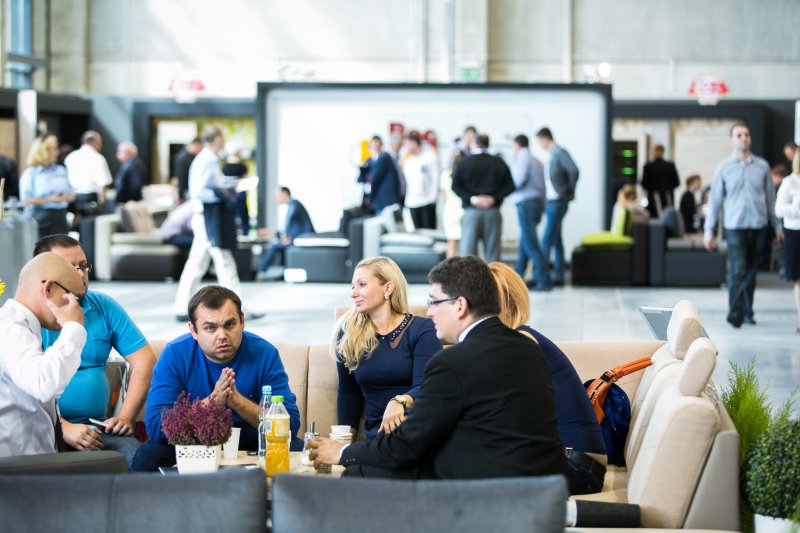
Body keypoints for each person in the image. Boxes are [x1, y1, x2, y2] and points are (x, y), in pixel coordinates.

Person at [310, 256, 566, 480]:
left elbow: (407, 445)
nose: (430, 312)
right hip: (541, 479)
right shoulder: (529, 349)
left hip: (482, 486)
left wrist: (343, 452)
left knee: (359, 474)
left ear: (460, 305)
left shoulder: (452, 362)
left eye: (434, 302)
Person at [133, 286, 300, 471]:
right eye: (210, 328)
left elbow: (290, 426)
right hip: (192, 442)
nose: (222, 336)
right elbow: (156, 428)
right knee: (147, 456)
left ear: (242, 321)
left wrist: (239, 403)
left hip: (250, 439)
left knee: (296, 448)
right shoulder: (175, 354)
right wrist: (212, 402)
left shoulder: (265, 353)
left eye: (229, 325)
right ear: (193, 330)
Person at [36, 235, 155, 467]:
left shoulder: (103, 306)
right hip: (45, 431)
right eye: (70, 268)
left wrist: (125, 417)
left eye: (83, 266)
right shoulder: (30, 317)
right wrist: (63, 427)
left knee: (142, 462)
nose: (80, 274)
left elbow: (145, 360)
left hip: (99, 431)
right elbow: (23, 386)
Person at [488, 261, 607, 494]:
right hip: (567, 459)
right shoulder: (517, 338)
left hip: (578, 466)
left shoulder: (521, 341)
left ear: (510, 306)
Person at [334, 257, 442, 441]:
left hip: (418, 431)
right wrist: (343, 445)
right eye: (353, 287)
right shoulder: (348, 334)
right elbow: (348, 393)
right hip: (377, 439)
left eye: (362, 284)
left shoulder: (423, 329)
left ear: (388, 288)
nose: (353, 293)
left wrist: (399, 401)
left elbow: (428, 387)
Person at [0, 252, 86, 457]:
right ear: (48, 288)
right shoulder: (9, 328)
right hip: (20, 468)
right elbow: (45, 384)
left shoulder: (21, 326)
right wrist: (74, 328)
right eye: (75, 298)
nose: (78, 308)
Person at [704, 123, 783, 328]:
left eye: (746, 134)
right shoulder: (723, 167)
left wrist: (777, 226)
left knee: (751, 271)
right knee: (738, 270)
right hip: (735, 226)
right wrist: (709, 230)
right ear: (732, 140)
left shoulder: (762, 166)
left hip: (758, 225)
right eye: (739, 135)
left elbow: (770, 199)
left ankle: (748, 312)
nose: (743, 138)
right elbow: (715, 201)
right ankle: (735, 312)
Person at [172, 125, 249, 321]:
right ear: (217, 139)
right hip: (208, 217)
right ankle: (237, 309)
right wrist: (223, 194)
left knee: (197, 264)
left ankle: (181, 307)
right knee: (224, 261)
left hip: (204, 217)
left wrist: (224, 187)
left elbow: (209, 185)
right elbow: (200, 191)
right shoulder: (208, 159)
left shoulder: (205, 158)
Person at [451, 133, 515, 262]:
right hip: (492, 212)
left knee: (468, 255)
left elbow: (455, 186)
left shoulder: (464, 162)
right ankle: (493, 276)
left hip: (471, 212)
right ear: (488, 144)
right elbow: (510, 186)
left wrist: (472, 198)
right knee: (493, 254)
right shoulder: (499, 162)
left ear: (473, 144)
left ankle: (469, 276)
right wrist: (493, 198)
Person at [536, 127, 579, 286]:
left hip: (558, 202)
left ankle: (541, 277)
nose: (539, 145)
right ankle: (559, 275)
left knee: (546, 239)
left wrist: (569, 192)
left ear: (545, 139)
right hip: (552, 202)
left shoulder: (560, 153)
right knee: (556, 239)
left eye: (539, 141)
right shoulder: (553, 155)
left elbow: (574, 170)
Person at [509, 134, 549, 291]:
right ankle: (518, 279)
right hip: (537, 203)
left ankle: (544, 280)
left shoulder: (522, 157)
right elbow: (544, 187)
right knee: (524, 243)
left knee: (531, 243)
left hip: (526, 204)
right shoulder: (537, 160)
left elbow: (519, 179)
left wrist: (507, 188)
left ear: (517, 145)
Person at [19, 134, 75, 238]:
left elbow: (72, 195)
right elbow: (26, 200)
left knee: (61, 247)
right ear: (45, 151)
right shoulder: (31, 173)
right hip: (39, 218)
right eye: (54, 149)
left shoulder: (61, 170)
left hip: (60, 218)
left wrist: (64, 197)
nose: (57, 152)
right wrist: (49, 199)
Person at [256, 187, 315, 275]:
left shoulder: (294, 204)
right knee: (278, 245)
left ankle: (259, 269)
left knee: (274, 246)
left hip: (302, 239)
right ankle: (270, 270)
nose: (276, 198)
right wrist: (274, 233)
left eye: (278, 195)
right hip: (297, 238)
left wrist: (286, 235)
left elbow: (290, 219)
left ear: (285, 194)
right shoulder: (292, 205)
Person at [775, 150, 800, 333]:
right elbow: (779, 210)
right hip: (795, 233)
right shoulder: (789, 182)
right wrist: (797, 208)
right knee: (799, 280)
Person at [64, 130, 113, 212]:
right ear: (93, 142)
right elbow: (103, 182)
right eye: (100, 142)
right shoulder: (98, 158)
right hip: (91, 199)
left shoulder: (70, 157)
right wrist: (101, 200)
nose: (101, 145)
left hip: (73, 199)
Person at [363, 135, 403, 233]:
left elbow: (375, 180)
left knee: (392, 229)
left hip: (388, 202)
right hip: (384, 201)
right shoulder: (372, 161)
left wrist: (370, 196)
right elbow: (367, 180)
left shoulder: (385, 158)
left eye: (378, 146)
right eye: (374, 146)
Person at [402, 132, 438, 230]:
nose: (405, 147)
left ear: (414, 143)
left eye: (407, 144)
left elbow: (435, 178)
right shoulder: (408, 160)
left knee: (429, 231)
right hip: (412, 201)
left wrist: (432, 197)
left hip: (427, 201)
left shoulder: (429, 156)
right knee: (417, 233)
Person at [641, 144, 680, 218]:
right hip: (667, 197)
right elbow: (676, 183)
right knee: (668, 217)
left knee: (655, 218)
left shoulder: (648, 166)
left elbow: (644, 183)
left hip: (653, 198)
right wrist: (667, 188)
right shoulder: (670, 165)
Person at [439, 152, 465, 258]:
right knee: (465, 244)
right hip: (463, 210)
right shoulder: (465, 174)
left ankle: (449, 267)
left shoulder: (445, 175)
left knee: (451, 243)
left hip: (449, 211)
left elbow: (444, 196)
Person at [174, 137, 202, 202]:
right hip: (186, 191)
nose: (200, 149)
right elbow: (181, 177)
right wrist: (181, 194)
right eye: (200, 146)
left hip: (190, 189)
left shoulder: (192, 156)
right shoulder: (183, 158)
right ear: (195, 145)